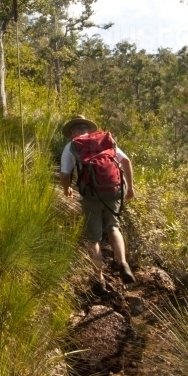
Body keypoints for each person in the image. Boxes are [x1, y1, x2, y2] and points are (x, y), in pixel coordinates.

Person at [59, 115, 136, 286]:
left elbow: (64, 174)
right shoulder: (104, 139)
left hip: (91, 195)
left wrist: (67, 189)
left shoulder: (72, 145)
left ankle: (99, 278)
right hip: (114, 191)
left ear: (72, 131)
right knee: (113, 227)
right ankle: (123, 263)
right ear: (88, 128)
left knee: (93, 239)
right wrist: (130, 188)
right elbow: (126, 161)